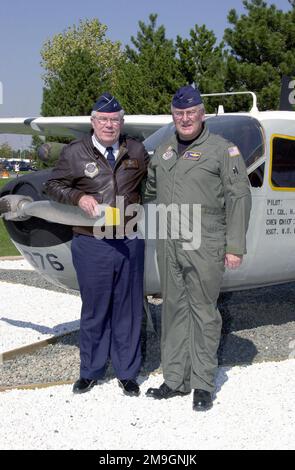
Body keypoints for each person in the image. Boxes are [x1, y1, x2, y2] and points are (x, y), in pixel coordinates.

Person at [144, 85, 252, 411]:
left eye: (191, 113)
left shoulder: (222, 150)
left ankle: (203, 383)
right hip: (170, 243)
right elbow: (148, 189)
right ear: (173, 116)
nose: (186, 118)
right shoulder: (163, 151)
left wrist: (235, 246)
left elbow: (239, 196)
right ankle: (175, 380)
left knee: (203, 313)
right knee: (174, 310)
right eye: (179, 114)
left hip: (205, 243)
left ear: (202, 115)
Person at [45, 93, 149, 396]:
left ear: (122, 122)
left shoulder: (137, 150)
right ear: (93, 122)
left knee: (129, 310)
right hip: (92, 243)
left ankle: (127, 373)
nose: (109, 125)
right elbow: (52, 185)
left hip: (129, 240)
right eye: (103, 119)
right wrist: (78, 197)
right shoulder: (75, 153)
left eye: (114, 120)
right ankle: (90, 371)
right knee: (94, 309)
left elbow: (155, 182)